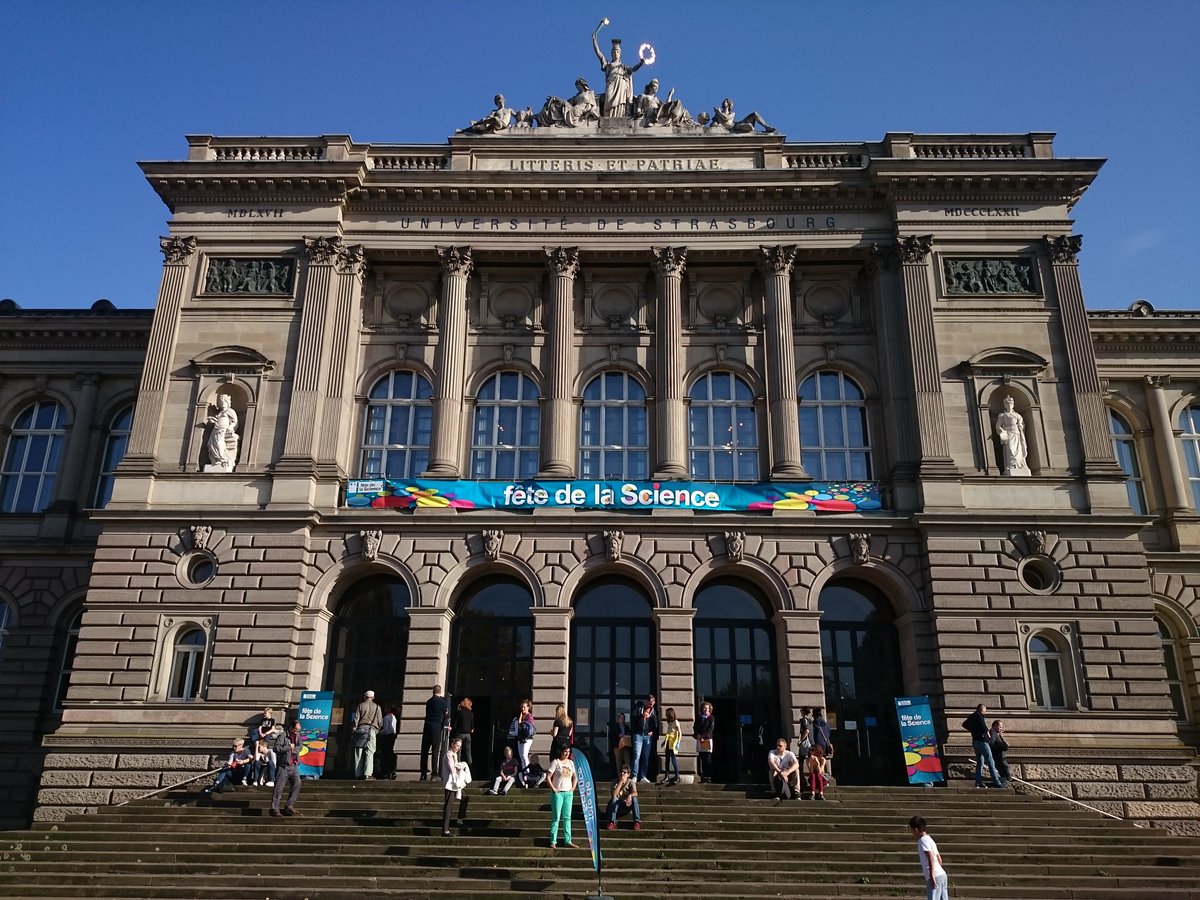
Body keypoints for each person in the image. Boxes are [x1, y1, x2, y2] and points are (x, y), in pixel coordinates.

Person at [591, 32, 645, 118]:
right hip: (611, 84)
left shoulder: (623, 67)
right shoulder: (608, 65)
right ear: (612, 54)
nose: (616, 53)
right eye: (614, 52)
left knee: (620, 103)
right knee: (608, 101)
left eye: (617, 52)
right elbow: (599, 54)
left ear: (620, 55)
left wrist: (640, 63)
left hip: (621, 84)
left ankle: (620, 117)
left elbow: (632, 70)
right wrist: (595, 41)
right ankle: (608, 117)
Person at [962, 703, 1003, 788]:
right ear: (982, 710)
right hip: (982, 741)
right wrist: (986, 732)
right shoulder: (979, 715)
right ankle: (996, 781)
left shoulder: (972, 716)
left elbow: (964, 724)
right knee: (990, 761)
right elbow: (984, 727)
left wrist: (973, 730)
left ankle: (978, 782)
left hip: (975, 741)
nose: (985, 713)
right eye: (985, 711)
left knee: (980, 762)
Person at [909, 815, 949, 900]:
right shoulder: (930, 839)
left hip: (935, 875)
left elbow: (930, 857)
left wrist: (932, 876)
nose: (911, 832)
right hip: (942, 874)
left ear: (916, 829)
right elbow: (939, 858)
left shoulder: (922, 840)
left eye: (911, 830)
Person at [547, 743, 578, 849]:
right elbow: (548, 776)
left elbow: (575, 776)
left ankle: (568, 840)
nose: (567, 753)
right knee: (556, 817)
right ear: (561, 751)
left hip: (568, 793)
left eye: (568, 752)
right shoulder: (556, 762)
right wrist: (553, 788)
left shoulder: (571, 763)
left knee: (567, 817)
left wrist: (573, 788)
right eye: (565, 751)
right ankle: (553, 840)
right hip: (558, 793)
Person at [537, 78, 601, 128]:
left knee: (562, 103)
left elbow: (594, 104)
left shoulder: (590, 93)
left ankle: (558, 122)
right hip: (574, 109)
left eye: (578, 85)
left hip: (579, 111)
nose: (577, 87)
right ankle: (555, 122)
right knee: (554, 104)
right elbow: (567, 102)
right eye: (576, 86)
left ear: (582, 84)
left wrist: (592, 111)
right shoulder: (577, 96)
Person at [270, 720, 302, 817]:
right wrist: (288, 747)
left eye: (298, 730)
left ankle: (289, 806)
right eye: (295, 730)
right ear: (291, 728)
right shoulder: (283, 735)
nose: (296, 732)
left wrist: (294, 750)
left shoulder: (298, 736)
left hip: (293, 765)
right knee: (279, 788)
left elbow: (300, 746)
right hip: (283, 766)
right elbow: (276, 748)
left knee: (297, 784)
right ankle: (274, 808)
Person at [441, 736, 471, 837]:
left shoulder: (454, 755)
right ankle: (445, 830)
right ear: (452, 744)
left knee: (465, 798)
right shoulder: (448, 755)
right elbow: (452, 769)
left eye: (460, 746)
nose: (458, 748)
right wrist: (460, 766)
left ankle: (459, 819)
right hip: (450, 784)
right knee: (449, 807)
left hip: (456, 784)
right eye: (457, 745)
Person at [351, 689, 382, 779]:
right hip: (371, 730)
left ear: (365, 697)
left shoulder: (360, 706)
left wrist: (354, 730)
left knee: (358, 753)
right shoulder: (377, 707)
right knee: (370, 752)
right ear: (373, 697)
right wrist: (377, 730)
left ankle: (358, 774)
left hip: (360, 730)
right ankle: (367, 774)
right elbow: (380, 722)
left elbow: (356, 719)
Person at [420, 685, 449, 781]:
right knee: (435, 750)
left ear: (433, 691)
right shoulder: (442, 702)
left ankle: (423, 773)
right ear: (440, 692)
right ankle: (434, 773)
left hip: (427, 727)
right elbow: (446, 715)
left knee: (424, 750)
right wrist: (445, 725)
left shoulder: (429, 702)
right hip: (436, 728)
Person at [995, 395, 1030, 475]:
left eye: (1011, 402)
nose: (1010, 404)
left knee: (1019, 451)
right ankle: (1011, 465)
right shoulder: (1002, 415)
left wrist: (1020, 427)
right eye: (1008, 402)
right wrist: (1002, 431)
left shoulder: (1018, 415)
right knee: (1010, 450)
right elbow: (998, 426)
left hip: (1017, 434)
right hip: (1008, 434)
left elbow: (1021, 424)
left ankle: (1019, 465)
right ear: (1005, 404)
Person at [205, 394, 239, 469]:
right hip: (216, 429)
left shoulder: (230, 411)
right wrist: (213, 421)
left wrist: (230, 427)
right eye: (221, 402)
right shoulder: (220, 413)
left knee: (219, 443)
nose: (222, 403)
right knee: (211, 445)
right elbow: (219, 420)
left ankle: (223, 459)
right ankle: (216, 460)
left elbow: (235, 421)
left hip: (224, 429)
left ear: (227, 403)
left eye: (224, 402)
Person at [631, 692, 658, 783]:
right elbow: (633, 718)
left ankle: (643, 776)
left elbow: (656, 724)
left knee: (645, 756)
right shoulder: (638, 707)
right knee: (637, 755)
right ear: (646, 701)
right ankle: (634, 775)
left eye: (652, 704)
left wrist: (652, 731)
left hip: (647, 735)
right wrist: (642, 716)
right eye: (650, 703)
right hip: (638, 734)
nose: (651, 705)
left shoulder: (653, 711)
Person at [605, 764, 642, 830]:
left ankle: (637, 822)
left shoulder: (631, 782)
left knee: (635, 799)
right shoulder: (614, 782)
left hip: (627, 805)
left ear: (628, 774)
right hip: (616, 806)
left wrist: (630, 795)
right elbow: (614, 795)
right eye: (621, 772)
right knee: (614, 799)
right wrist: (620, 783)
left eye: (624, 772)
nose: (622, 774)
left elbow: (635, 792)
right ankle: (612, 822)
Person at [709, 98, 776, 134]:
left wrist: (718, 112)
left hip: (735, 126)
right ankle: (748, 128)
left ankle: (766, 127)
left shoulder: (732, 113)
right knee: (749, 126)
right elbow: (713, 124)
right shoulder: (717, 114)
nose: (723, 102)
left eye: (725, 101)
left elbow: (726, 118)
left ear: (729, 104)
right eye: (723, 101)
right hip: (732, 129)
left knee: (754, 114)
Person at [514, 699, 536, 786]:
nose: (522, 709)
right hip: (520, 738)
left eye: (524, 707)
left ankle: (528, 771)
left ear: (528, 707)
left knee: (524, 755)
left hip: (527, 738)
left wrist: (520, 722)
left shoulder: (529, 716)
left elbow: (526, 728)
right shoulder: (520, 716)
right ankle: (524, 773)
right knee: (521, 756)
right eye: (522, 707)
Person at [694, 700, 715, 783]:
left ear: (710, 709)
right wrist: (697, 735)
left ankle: (708, 777)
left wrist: (703, 737)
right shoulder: (699, 718)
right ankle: (703, 777)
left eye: (707, 708)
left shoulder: (711, 718)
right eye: (704, 708)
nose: (706, 710)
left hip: (707, 740)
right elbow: (695, 727)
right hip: (700, 740)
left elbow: (710, 730)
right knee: (702, 758)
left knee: (708, 759)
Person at [660, 707, 681, 784]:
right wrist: (664, 742)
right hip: (668, 742)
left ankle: (677, 776)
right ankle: (667, 776)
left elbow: (680, 733)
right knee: (667, 760)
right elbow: (668, 733)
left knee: (673, 759)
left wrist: (678, 742)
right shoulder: (669, 723)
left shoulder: (676, 722)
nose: (665, 715)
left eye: (666, 714)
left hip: (673, 742)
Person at [452, 697, 474, 768]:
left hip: (459, 734)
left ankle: (458, 767)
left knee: (458, 752)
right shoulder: (471, 714)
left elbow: (455, 725)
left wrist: (453, 730)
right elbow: (472, 728)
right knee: (468, 752)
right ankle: (469, 767)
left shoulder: (459, 713)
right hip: (468, 735)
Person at [377, 705, 398, 780]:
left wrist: (378, 733)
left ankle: (385, 772)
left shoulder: (386, 718)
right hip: (392, 737)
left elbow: (385, 730)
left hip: (387, 737)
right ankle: (391, 772)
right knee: (390, 754)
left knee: (385, 755)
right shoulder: (394, 718)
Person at [990, 719, 1011, 786]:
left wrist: (1001, 737)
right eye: (1000, 726)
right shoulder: (993, 732)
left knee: (1004, 771)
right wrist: (1003, 746)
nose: (1001, 728)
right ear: (995, 725)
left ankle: (1003, 783)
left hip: (1000, 756)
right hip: (998, 756)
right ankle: (1003, 783)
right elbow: (992, 744)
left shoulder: (997, 734)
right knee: (1005, 769)